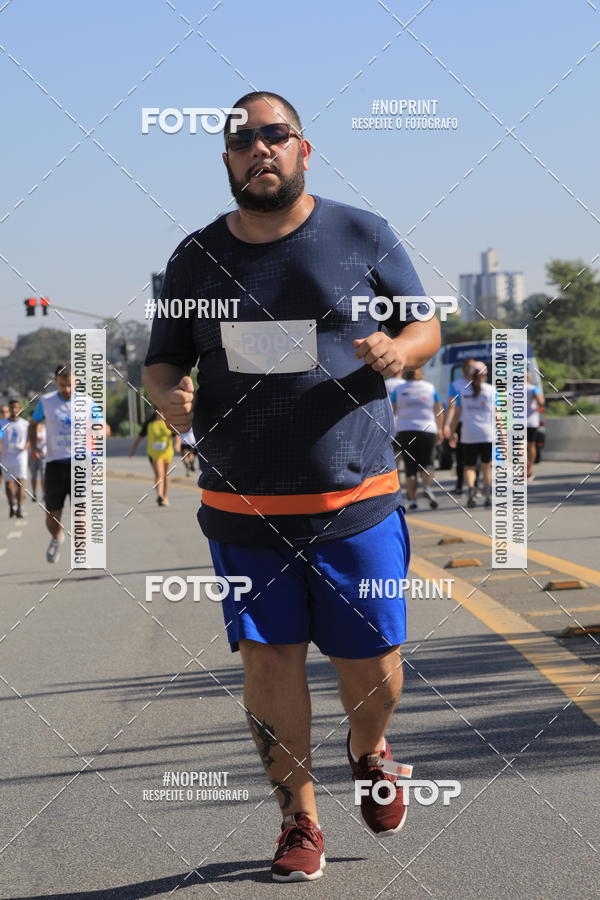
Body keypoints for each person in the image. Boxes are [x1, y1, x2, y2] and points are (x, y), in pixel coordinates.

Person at [144, 91, 441, 882]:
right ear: (227, 161)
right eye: (244, 140)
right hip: (243, 510)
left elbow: (426, 325)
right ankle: (297, 820)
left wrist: (402, 351)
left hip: (356, 504)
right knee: (269, 666)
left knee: (373, 671)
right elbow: (163, 361)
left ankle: (369, 749)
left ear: (303, 149)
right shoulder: (196, 257)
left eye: (275, 135)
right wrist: (168, 395)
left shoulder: (361, 233)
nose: (260, 149)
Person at [29, 365, 73, 563]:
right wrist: (34, 447)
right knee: (52, 517)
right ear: (56, 382)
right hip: (55, 465)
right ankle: (57, 537)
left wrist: (102, 431)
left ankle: (82, 553)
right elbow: (33, 425)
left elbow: (102, 425)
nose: (67, 390)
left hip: (81, 464)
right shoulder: (46, 402)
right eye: (63, 385)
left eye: (70, 385)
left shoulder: (87, 402)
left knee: (82, 513)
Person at [390, 369, 443, 511]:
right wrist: (440, 429)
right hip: (427, 429)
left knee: (410, 467)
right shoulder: (430, 388)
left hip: (405, 430)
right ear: (420, 375)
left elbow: (392, 411)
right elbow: (438, 410)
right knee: (427, 463)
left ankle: (413, 500)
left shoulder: (398, 390)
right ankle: (427, 487)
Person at [447, 361, 493, 508]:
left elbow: (456, 415)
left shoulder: (463, 391)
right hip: (487, 434)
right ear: (485, 374)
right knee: (486, 466)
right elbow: (498, 416)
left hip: (468, 434)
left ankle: (471, 489)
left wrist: (452, 432)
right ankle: (487, 496)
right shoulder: (492, 390)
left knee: (469, 466)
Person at [129, 409, 179, 506]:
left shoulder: (169, 422)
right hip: (154, 454)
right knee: (159, 474)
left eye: (163, 411)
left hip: (167, 452)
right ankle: (159, 495)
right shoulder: (149, 423)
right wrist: (133, 450)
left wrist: (177, 444)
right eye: (159, 410)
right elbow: (139, 437)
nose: (161, 413)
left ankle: (165, 496)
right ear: (156, 411)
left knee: (165, 475)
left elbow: (176, 435)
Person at [443, 357, 474, 496]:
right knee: (467, 457)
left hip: (468, 423)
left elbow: (452, 407)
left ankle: (467, 485)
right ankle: (467, 485)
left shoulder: (459, 384)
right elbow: (452, 407)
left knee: (467, 456)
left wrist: (448, 425)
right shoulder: (459, 385)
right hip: (468, 424)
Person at [0, 398, 29, 518]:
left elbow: (29, 439)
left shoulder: (25, 424)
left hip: (20, 457)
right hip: (6, 457)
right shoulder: (2, 423)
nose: (14, 410)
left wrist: (25, 447)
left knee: (20, 482)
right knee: (8, 484)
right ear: (9, 409)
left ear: (20, 409)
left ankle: (20, 507)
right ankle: (12, 504)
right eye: (12, 408)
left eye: (16, 408)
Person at [526, 371, 543, 480]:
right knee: (531, 445)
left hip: (518, 421)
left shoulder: (512, 389)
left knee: (520, 446)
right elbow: (541, 402)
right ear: (529, 378)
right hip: (531, 421)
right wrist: (536, 408)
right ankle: (529, 469)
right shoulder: (533, 388)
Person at [28, 420, 47, 502]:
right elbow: (28, 440)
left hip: (43, 455)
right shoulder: (31, 427)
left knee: (43, 476)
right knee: (33, 476)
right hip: (33, 455)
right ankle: (34, 493)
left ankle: (44, 493)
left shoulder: (46, 427)